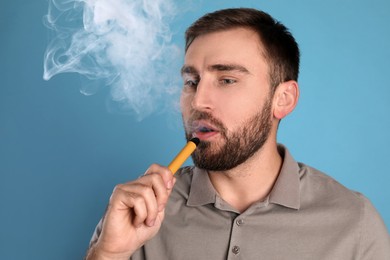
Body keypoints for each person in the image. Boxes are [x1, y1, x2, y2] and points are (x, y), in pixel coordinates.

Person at [86, 8, 390, 260]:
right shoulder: (139, 213)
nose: (198, 101)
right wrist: (109, 253)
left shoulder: (354, 224)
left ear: (283, 99)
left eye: (227, 80)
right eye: (191, 81)